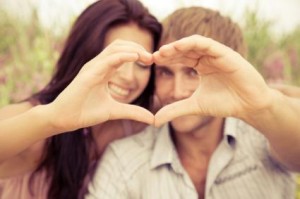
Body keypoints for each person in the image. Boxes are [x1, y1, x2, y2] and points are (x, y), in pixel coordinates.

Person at [86, 7, 299, 199]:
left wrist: (263, 104)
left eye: (193, 72)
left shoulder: (266, 137)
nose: (177, 91)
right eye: (165, 72)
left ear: (231, 73)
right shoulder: (125, 161)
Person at [0, 0, 161, 198]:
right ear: (83, 54)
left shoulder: (139, 121)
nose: (128, 76)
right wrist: (52, 120)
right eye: (115, 58)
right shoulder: (36, 120)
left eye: (142, 64)